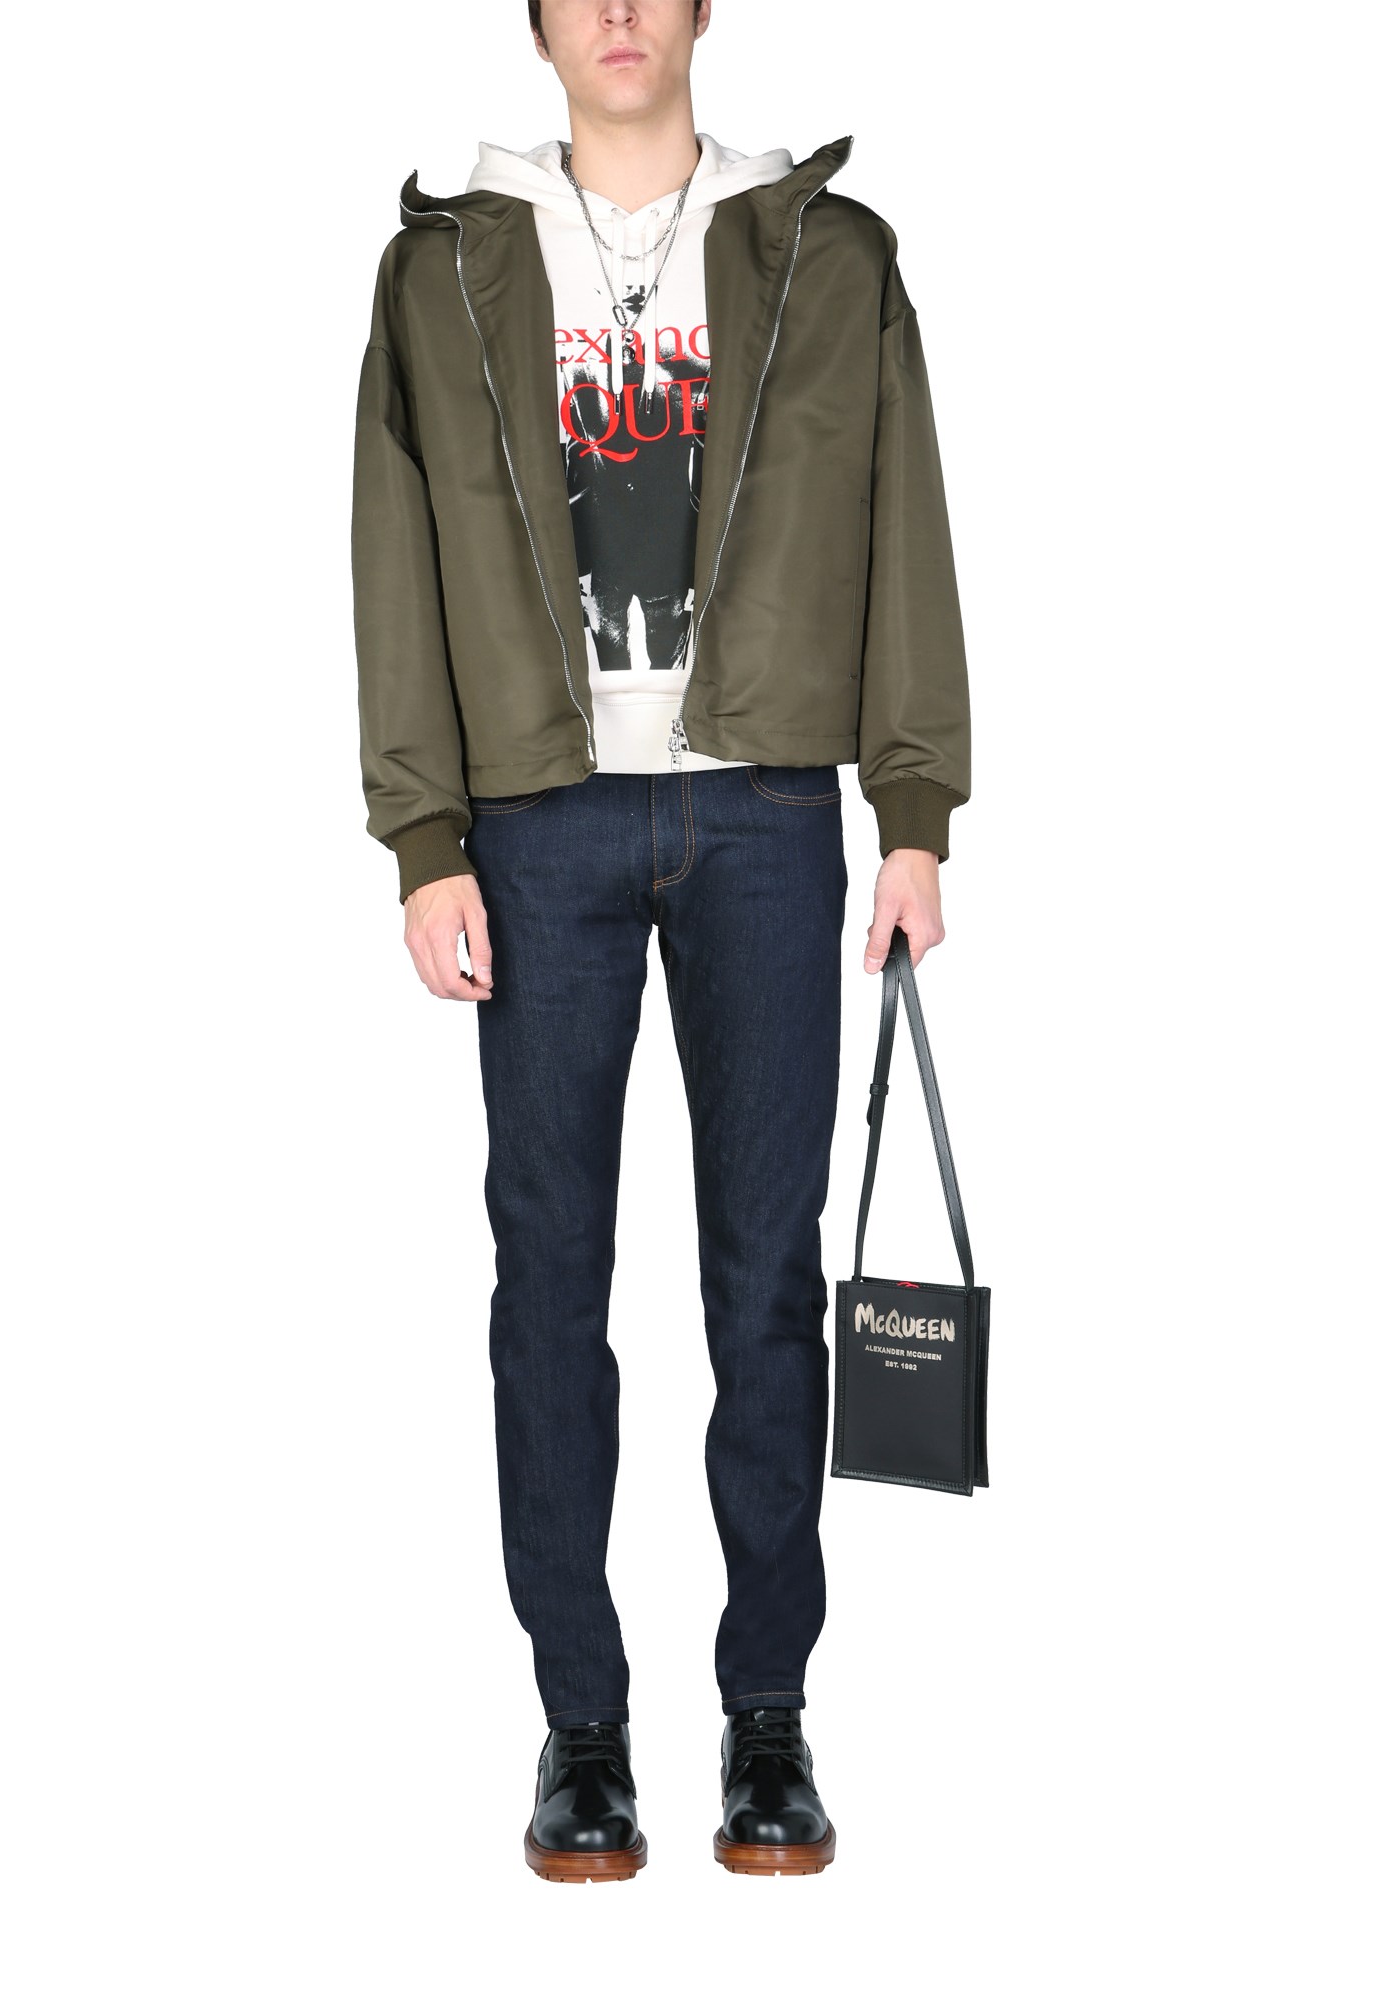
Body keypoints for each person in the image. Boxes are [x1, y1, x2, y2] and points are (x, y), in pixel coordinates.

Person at [350, 0, 971, 1882]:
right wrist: (424, 838)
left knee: (765, 1286)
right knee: (549, 1282)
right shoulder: (443, 266)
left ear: (702, 9)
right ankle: (583, 1729)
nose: (619, 10)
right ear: (539, 22)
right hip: (535, 824)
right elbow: (393, 557)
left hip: (770, 813)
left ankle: (767, 1716)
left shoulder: (830, 256)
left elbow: (907, 524)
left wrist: (913, 810)